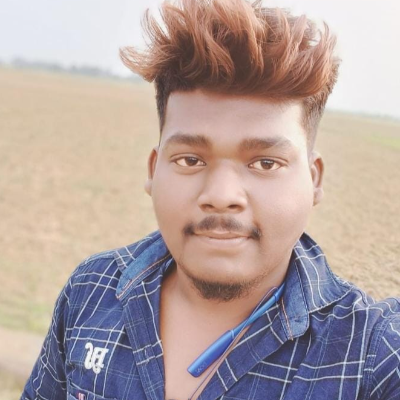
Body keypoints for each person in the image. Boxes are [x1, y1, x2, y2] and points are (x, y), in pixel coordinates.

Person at [21, 0, 400, 399]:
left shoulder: (371, 357)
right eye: (190, 160)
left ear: (314, 178)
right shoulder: (91, 290)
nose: (221, 196)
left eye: (265, 163)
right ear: (153, 169)